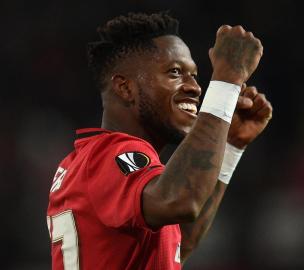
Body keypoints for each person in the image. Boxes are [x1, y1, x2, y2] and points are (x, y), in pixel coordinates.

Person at [46, 12, 272, 269]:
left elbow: (176, 244)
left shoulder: (91, 160)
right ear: (125, 88)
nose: (195, 87)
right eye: (175, 72)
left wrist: (229, 146)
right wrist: (227, 80)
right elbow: (180, 201)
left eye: (194, 75)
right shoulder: (112, 153)